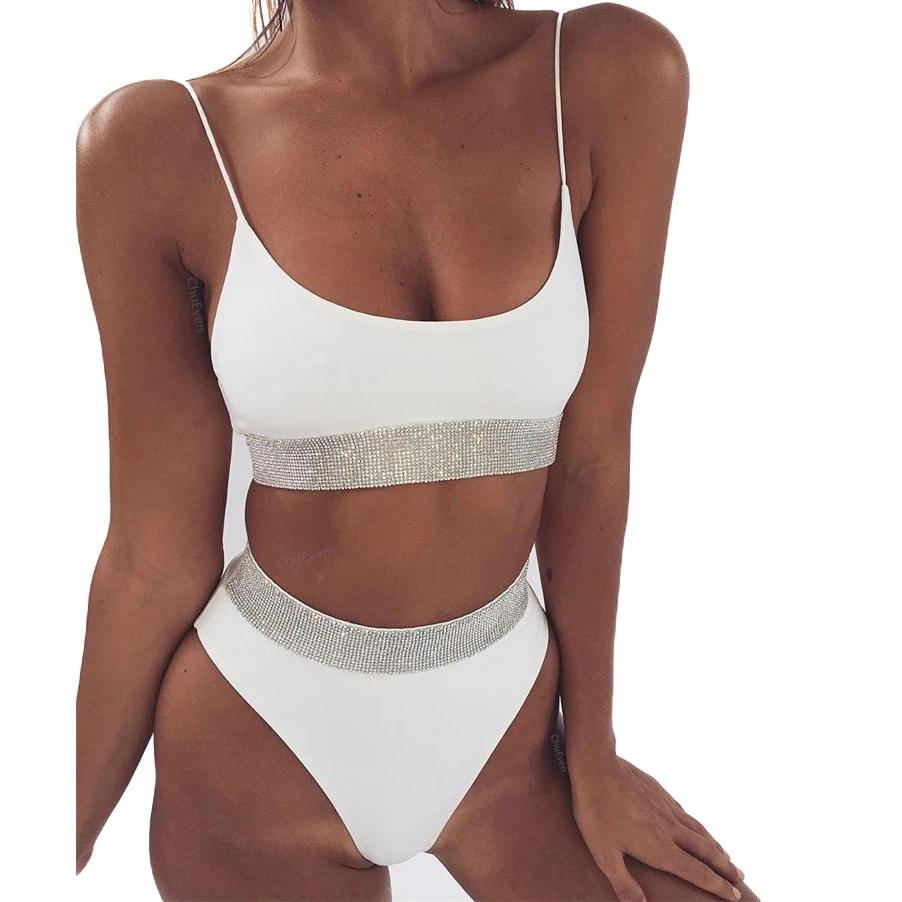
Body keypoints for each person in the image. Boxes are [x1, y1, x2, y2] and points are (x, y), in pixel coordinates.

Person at [75, 2, 758, 900]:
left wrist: (593, 755)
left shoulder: (605, 73)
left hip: (511, 744)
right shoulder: (157, 142)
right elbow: (151, 559)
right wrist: (52, 848)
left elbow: (593, 455)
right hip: (255, 748)